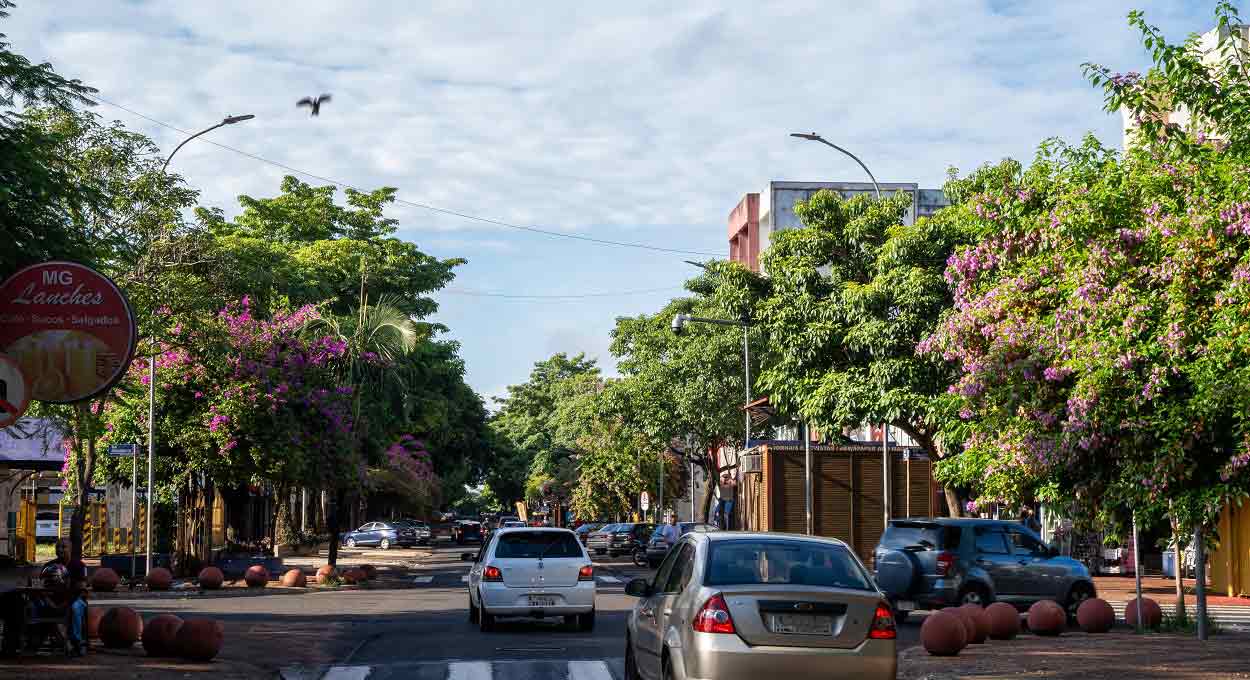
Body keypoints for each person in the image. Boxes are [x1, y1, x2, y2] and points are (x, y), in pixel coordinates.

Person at [31, 538, 87, 655]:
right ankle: (34, 640)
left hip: (73, 600)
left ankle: (76, 641)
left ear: (71, 549)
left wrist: (65, 604)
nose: (60, 549)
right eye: (58, 547)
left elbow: (81, 590)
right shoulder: (49, 566)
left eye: (63, 547)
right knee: (32, 605)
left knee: (76, 607)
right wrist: (49, 602)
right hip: (52, 602)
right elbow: (40, 588)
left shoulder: (79, 566)